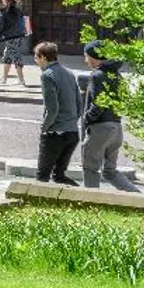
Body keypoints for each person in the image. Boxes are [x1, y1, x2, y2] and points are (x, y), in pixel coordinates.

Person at [80, 44, 141, 191]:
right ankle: (137, 197)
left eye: (87, 56)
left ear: (95, 58)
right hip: (116, 128)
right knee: (110, 171)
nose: (85, 59)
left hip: (100, 128)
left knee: (90, 169)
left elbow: (98, 104)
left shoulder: (97, 76)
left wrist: (86, 119)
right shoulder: (117, 75)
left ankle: (90, 204)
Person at [34, 39, 82, 182]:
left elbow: (52, 109)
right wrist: (71, 122)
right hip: (72, 133)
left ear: (43, 57)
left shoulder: (47, 76)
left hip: (55, 134)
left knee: (42, 176)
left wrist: (44, 127)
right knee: (59, 176)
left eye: (36, 56)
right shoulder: (69, 73)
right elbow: (79, 105)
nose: (35, 60)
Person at [0, 0, 30, 87]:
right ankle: (5, 78)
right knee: (8, 56)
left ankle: (20, 80)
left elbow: (0, 26)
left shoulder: (4, 12)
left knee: (14, 56)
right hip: (18, 36)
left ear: (5, 0)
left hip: (10, 37)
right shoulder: (18, 10)